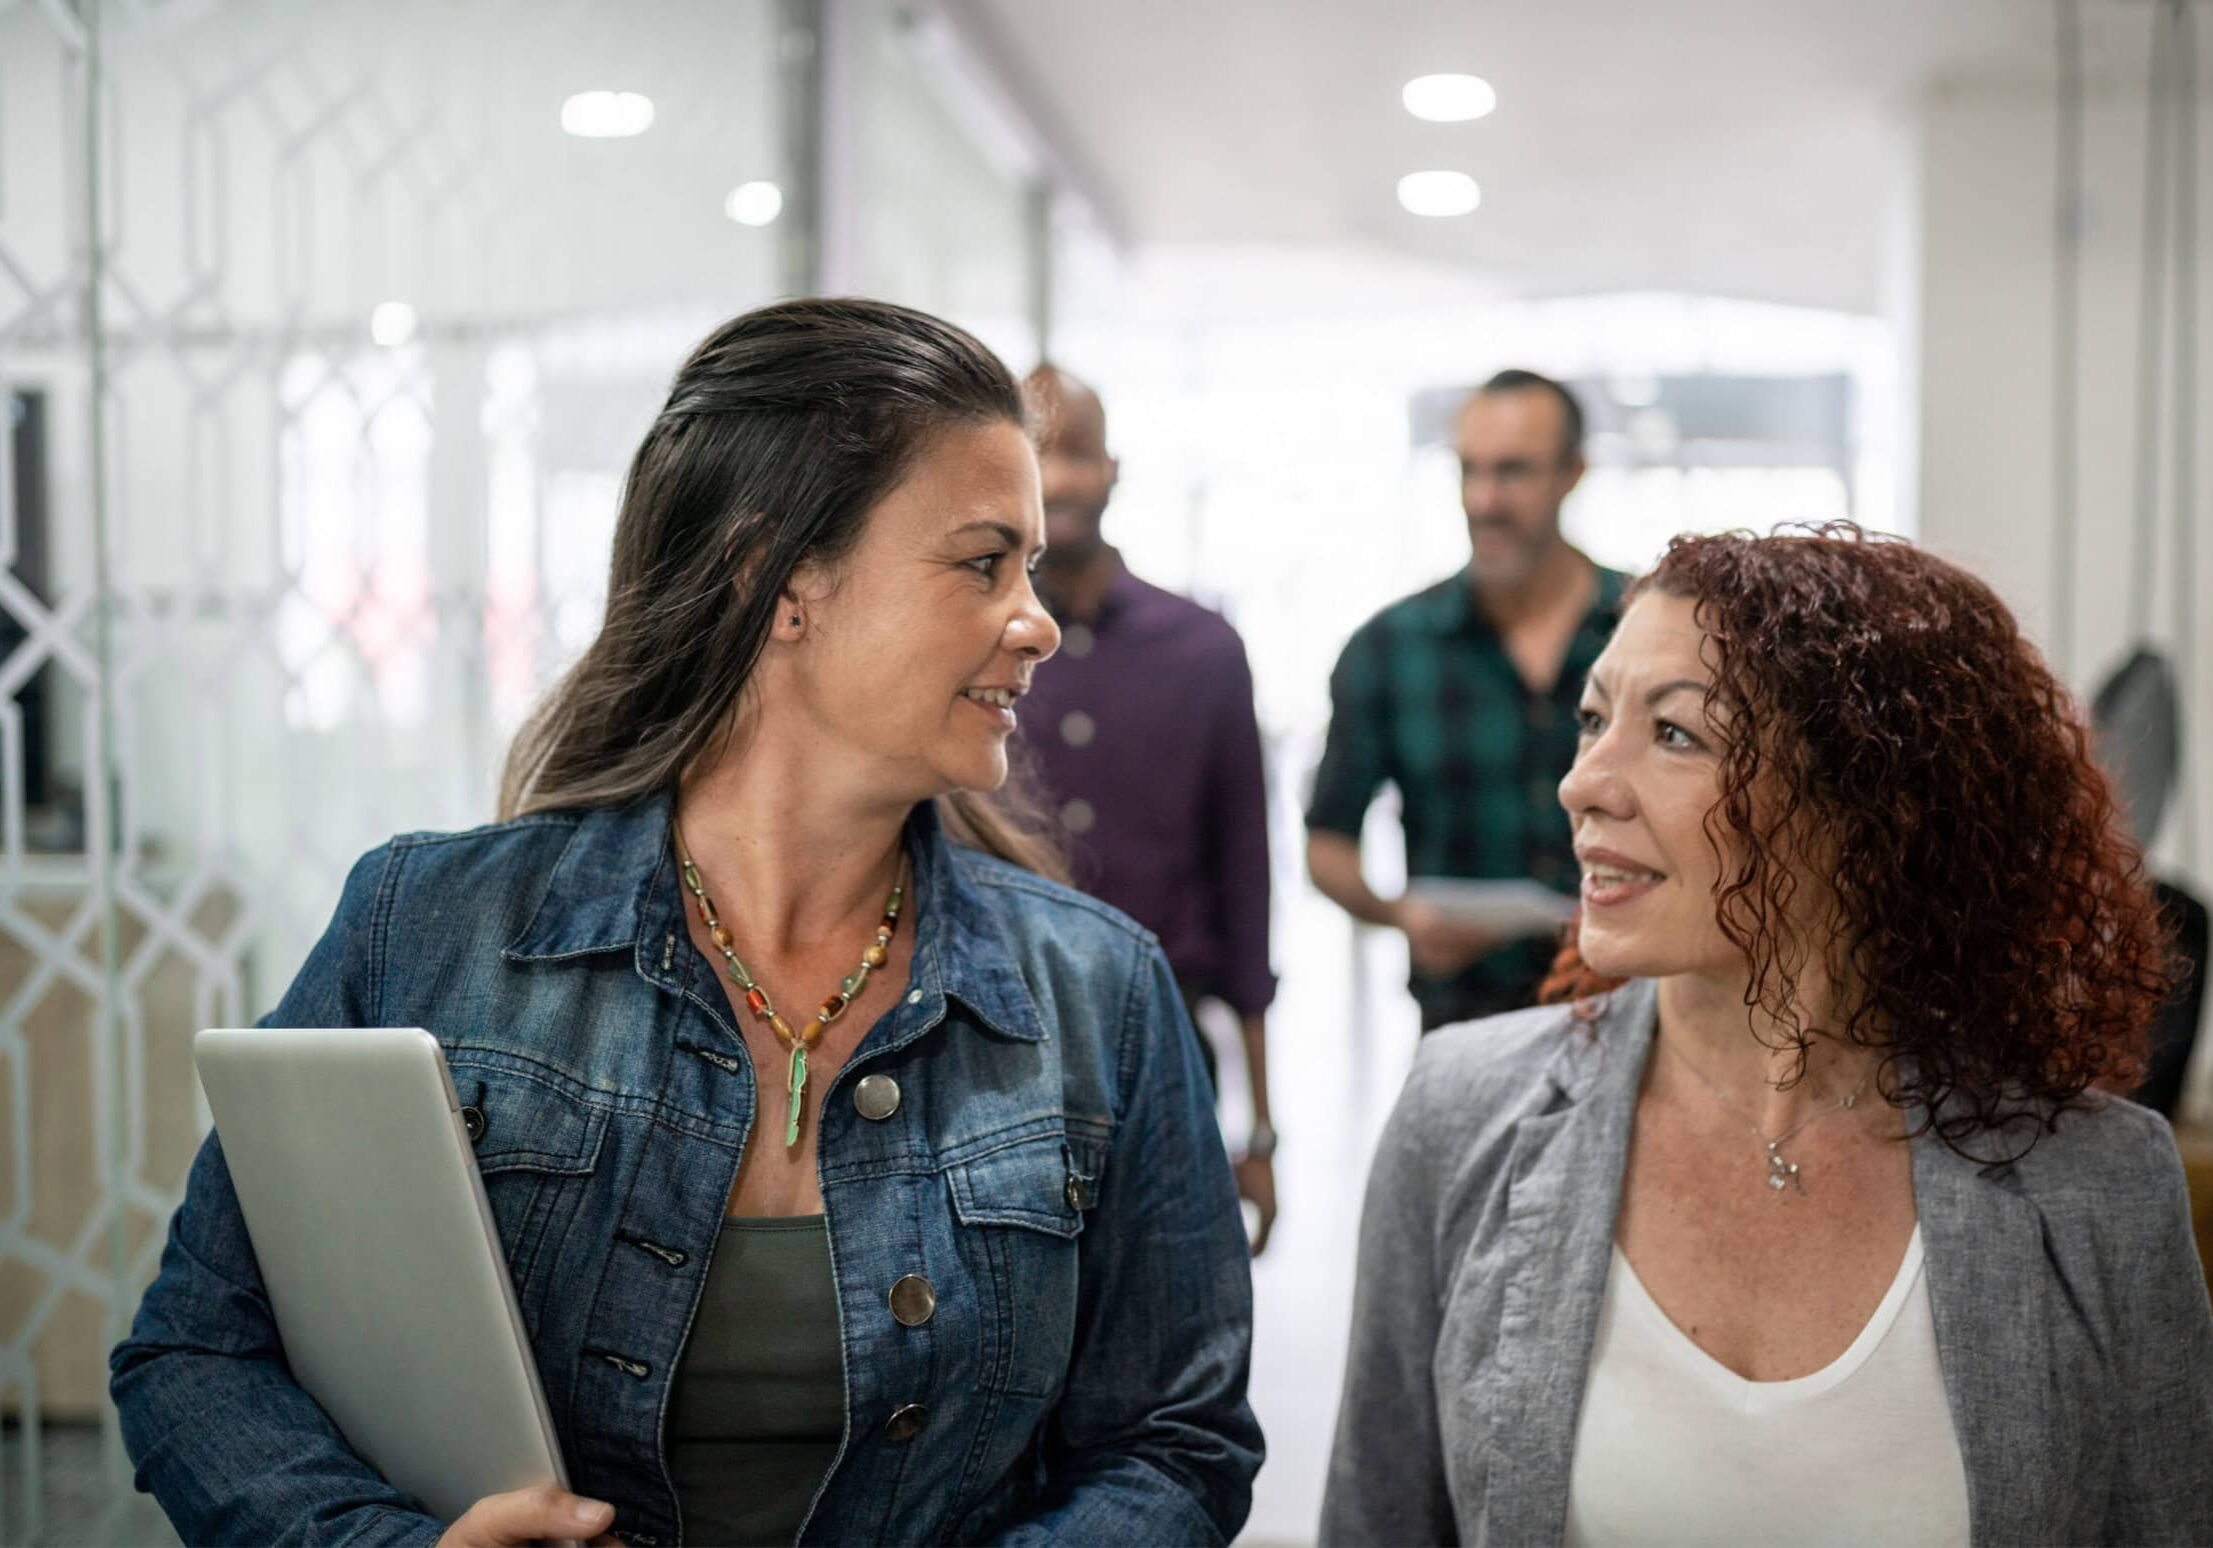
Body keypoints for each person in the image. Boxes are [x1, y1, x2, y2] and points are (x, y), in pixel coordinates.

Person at [112, 299, 1261, 1548]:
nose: (1035, 620)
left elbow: (1175, 1442)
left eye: (1030, 568)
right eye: (983, 562)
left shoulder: (1100, 996)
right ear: (776, 581)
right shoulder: (425, 933)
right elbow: (196, 1350)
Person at [1323, 524, 2213, 1546]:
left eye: (1672, 735)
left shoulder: (2095, 1183)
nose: (1582, 785)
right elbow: (1376, 1521)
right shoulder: (1459, 1112)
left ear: (1859, 803)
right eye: (1590, 719)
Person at [1015, 364, 1280, 1252]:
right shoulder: (968, 656)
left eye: (1077, 453)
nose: (1057, 479)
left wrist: (1263, 1130)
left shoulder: (1203, 651)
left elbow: (1246, 887)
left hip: (1168, 1059)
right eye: (1034, 454)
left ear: (1114, 469)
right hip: (997, 1062)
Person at [1306, 369, 1626, 1031]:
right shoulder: (1389, 648)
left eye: (1512, 472)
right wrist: (1399, 915)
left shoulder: (1643, 631)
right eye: (1468, 471)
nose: (1483, 500)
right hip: (1463, 1022)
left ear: (1572, 472)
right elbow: (1328, 843)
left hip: (1630, 1008)